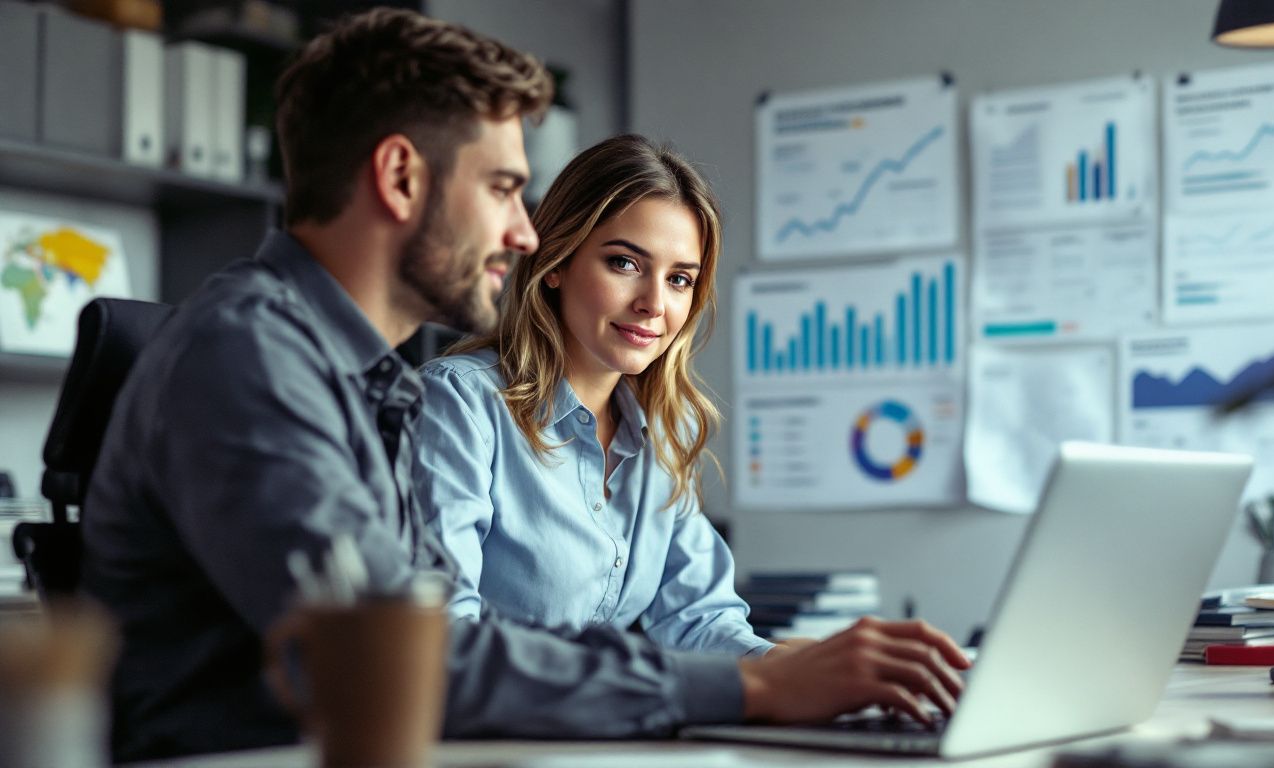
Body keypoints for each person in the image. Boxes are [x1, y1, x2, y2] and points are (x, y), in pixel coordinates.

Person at [78, 8, 970, 763]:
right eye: (505, 189)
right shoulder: (253, 360)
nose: (522, 232)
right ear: (399, 178)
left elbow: (424, 635)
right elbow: (413, 662)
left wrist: (800, 678)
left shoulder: (357, 379)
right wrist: (749, 684)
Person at [417, 134, 771, 657]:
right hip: (482, 734)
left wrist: (809, 672)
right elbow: (442, 638)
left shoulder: (667, 435)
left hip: (590, 729)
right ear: (557, 261)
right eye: (625, 264)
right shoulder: (460, 406)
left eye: (679, 279)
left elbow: (700, 621)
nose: (654, 303)